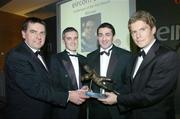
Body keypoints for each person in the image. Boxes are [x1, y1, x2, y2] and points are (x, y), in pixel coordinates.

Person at [99, 10, 180, 119]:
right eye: (134, 32)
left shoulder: (167, 56)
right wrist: (109, 89)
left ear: (153, 29)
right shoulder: (136, 56)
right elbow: (131, 87)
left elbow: (150, 95)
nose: (138, 35)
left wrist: (117, 99)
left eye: (142, 29)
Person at [4, 17, 87, 119]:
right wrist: (68, 96)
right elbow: (35, 88)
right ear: (23, 34)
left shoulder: (42, 55)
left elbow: (48, 83)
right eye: (33, 32)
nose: (39, 36)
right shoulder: (17, 56)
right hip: (26, 114)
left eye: (42, 33)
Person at [86, 22, 132, 119]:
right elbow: (89, 80)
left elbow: (130, 84)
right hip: (96, 109)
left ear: (113, 37)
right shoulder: (90, 57)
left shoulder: (126, 56)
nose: (104, 39)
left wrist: (117, 98)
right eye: (100, 35)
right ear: (97, 38)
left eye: (107, 35)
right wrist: (87, 89)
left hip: (117, 109)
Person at [49, 27, 89, 119]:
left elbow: (86, 80)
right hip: (64, 110)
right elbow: (52, 86)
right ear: (63, 41)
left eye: (75, 38)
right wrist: (70, 95)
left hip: (82, 109)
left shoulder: (84, 59)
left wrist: (86, 87)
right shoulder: (55, 59)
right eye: (69, 38)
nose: (73, 41)